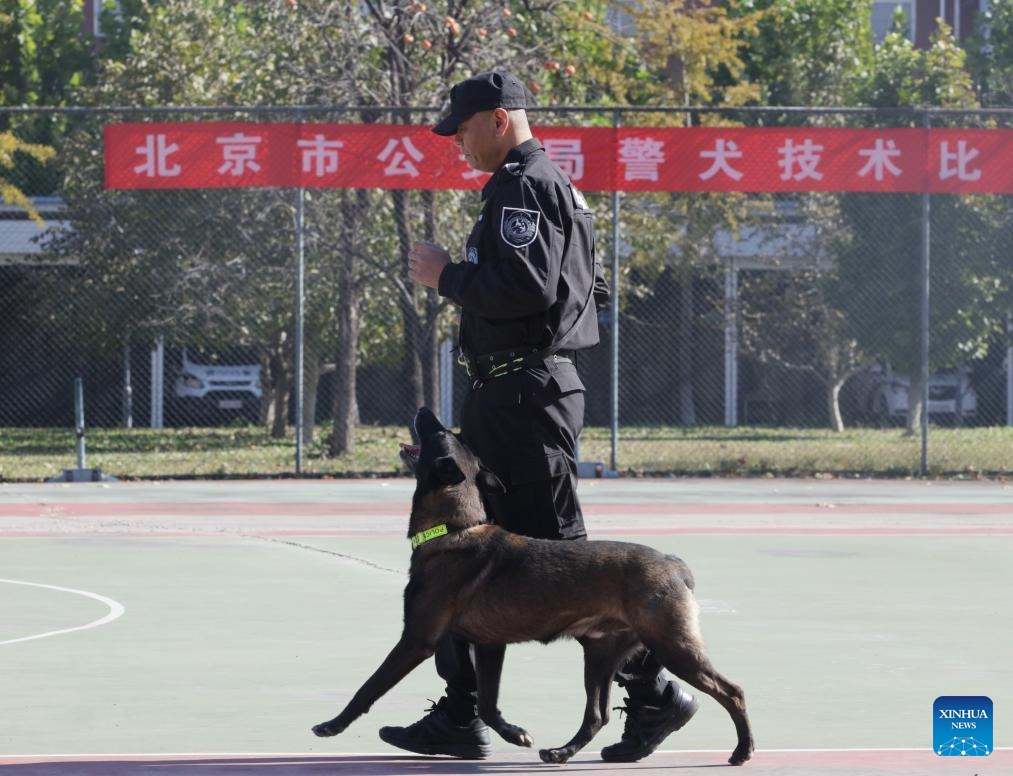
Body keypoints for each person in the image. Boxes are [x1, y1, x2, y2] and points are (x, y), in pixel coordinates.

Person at [381, 69, 697, 763]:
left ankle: (655, 695)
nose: (457, 143)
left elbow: (527, 286)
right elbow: (588, 286)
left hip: (526, 397)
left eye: (462, 129)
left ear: (497, 119)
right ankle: (460, 714)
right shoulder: (542, 187)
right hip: (513, 394)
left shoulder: (526, 186)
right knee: (465, 555)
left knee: (566, 568)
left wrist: (447, 277)